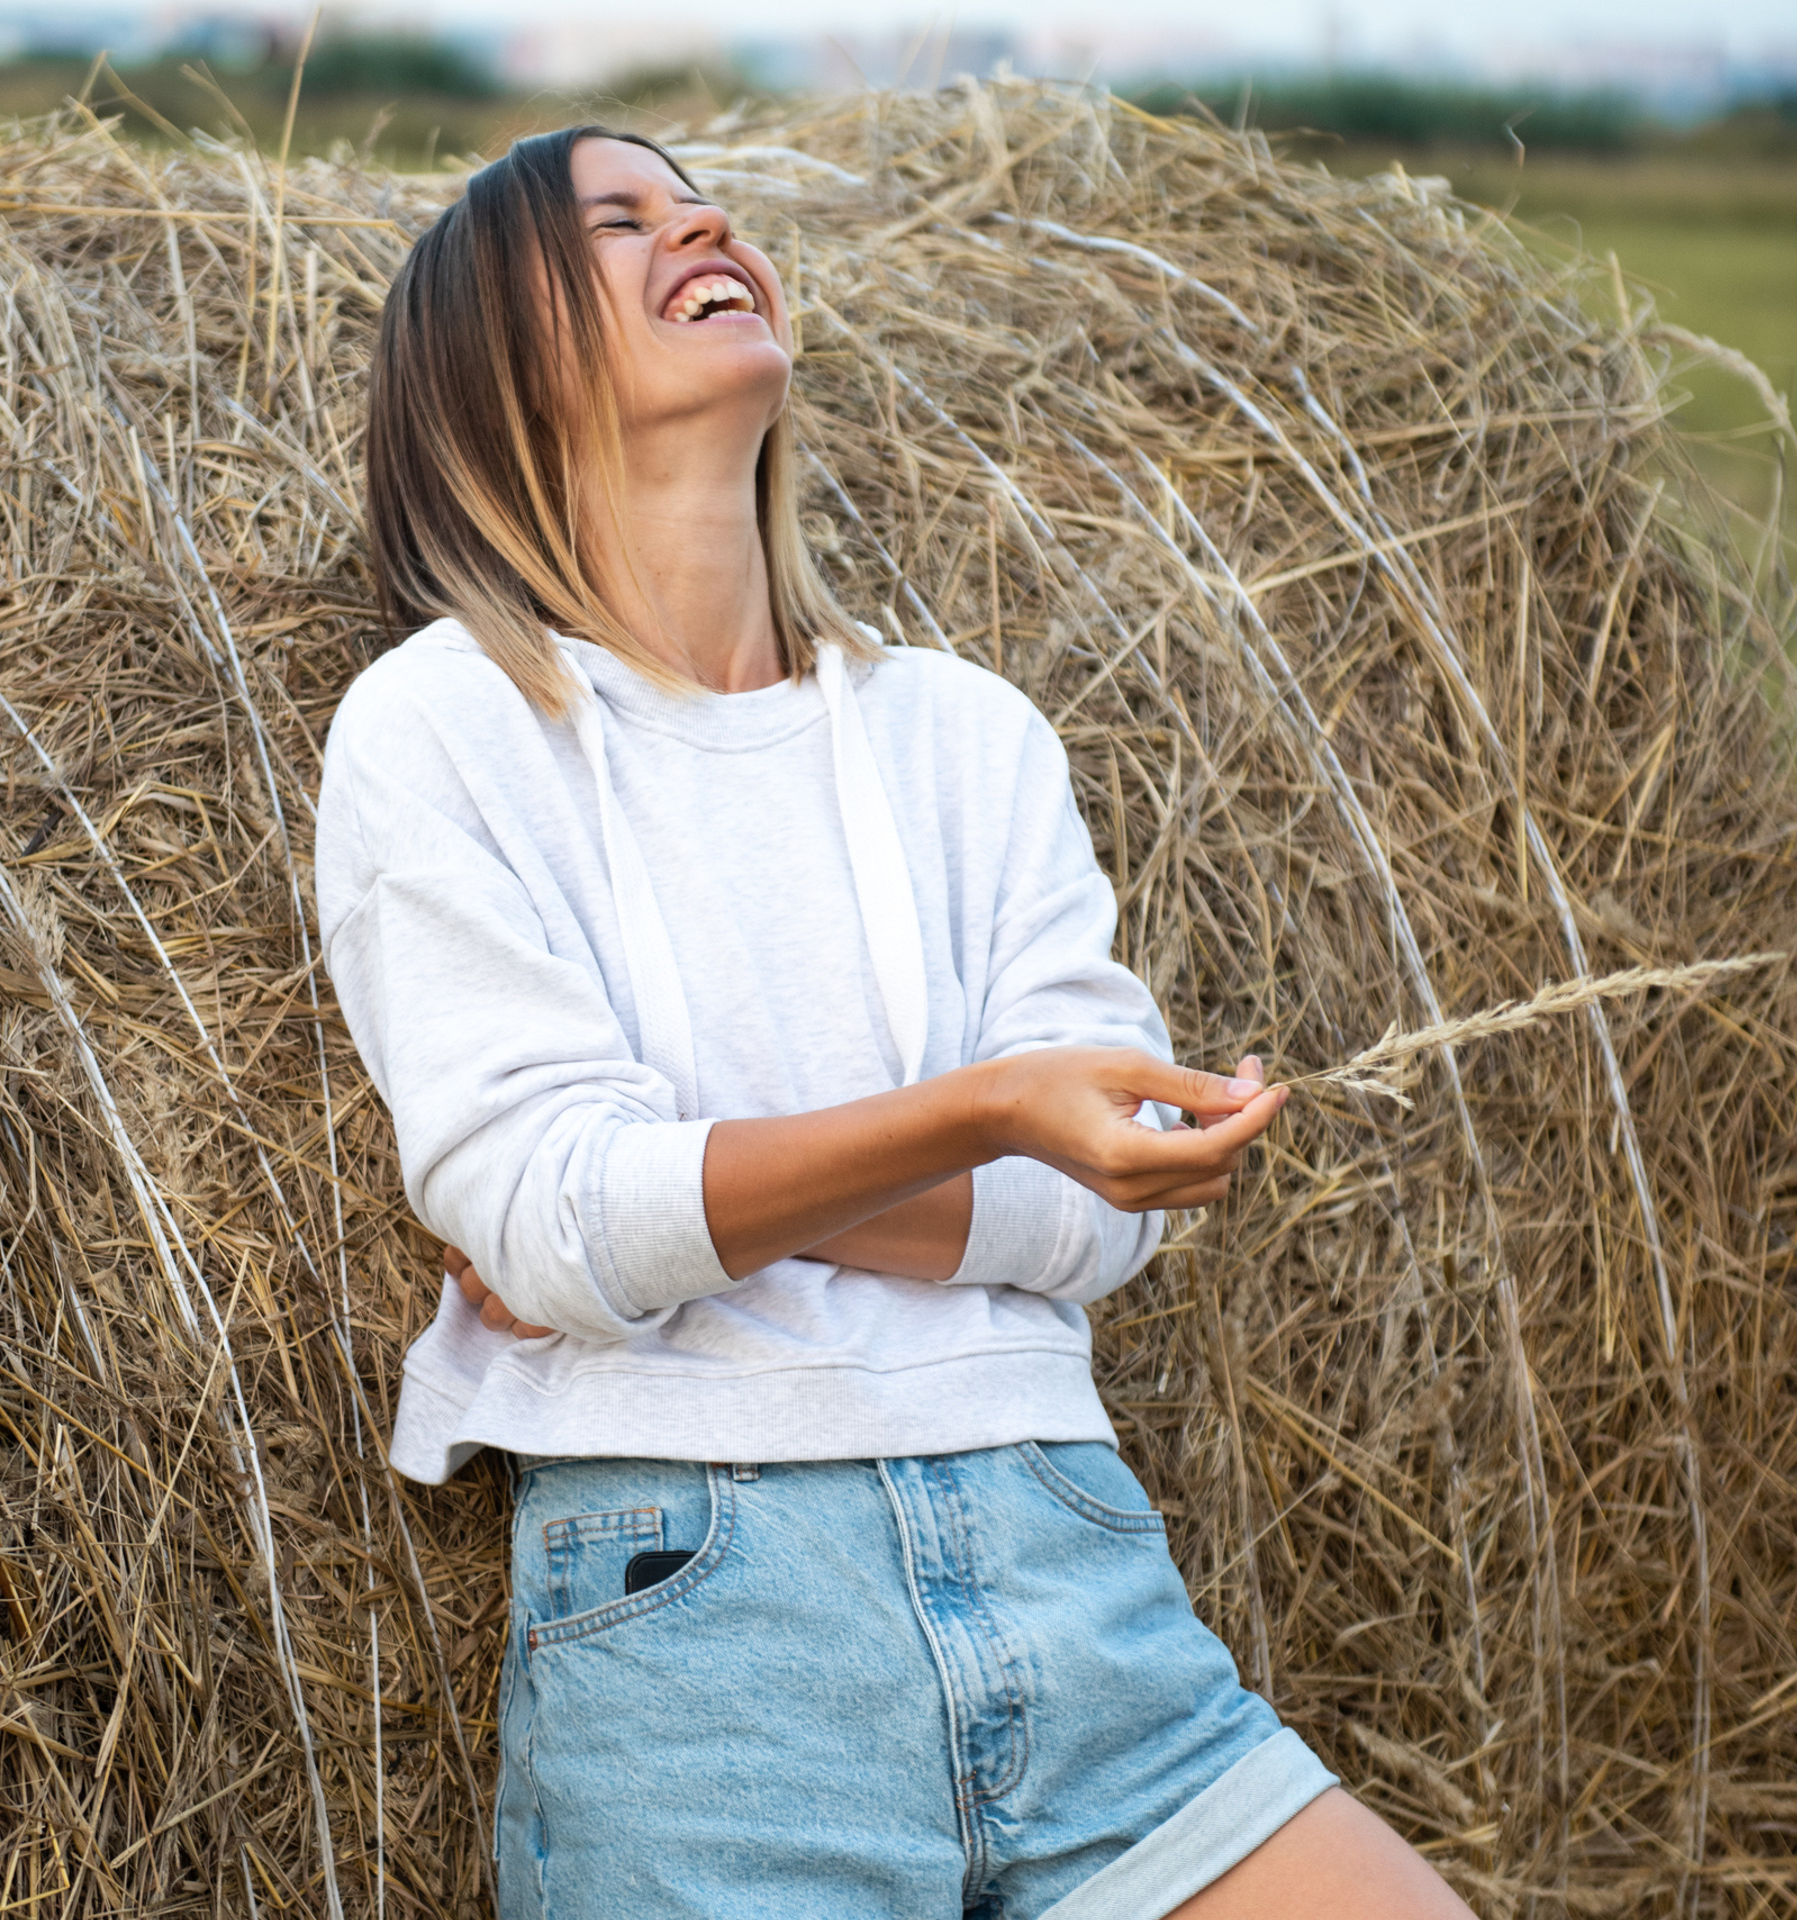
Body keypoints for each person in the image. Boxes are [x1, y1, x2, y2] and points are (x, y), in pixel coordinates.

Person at [316, 123, 1475, 1920]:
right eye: (615, 223)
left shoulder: (964, 734)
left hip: (1064, 1561)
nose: (698, 219)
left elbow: (1090, 1218)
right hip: (708, 1622)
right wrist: (984, 1115)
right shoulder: (444, 728)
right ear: (494, 367)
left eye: (694, 200)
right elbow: (553, 1212)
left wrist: (674, 1199)